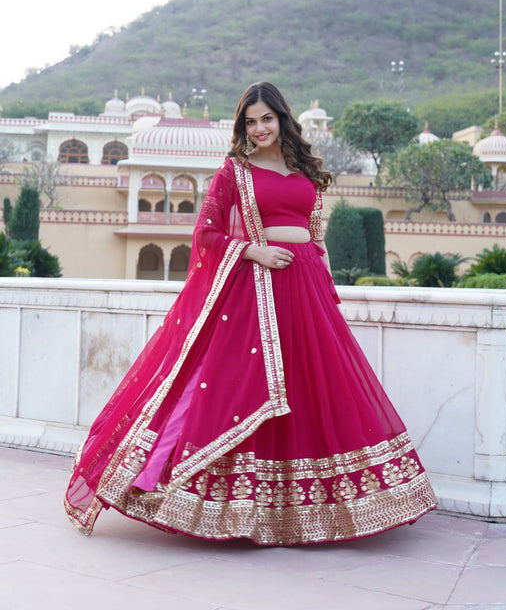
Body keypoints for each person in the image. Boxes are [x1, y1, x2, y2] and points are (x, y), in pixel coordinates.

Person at [64, 82, 437, 544]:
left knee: (310, 386)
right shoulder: (234, 172)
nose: (259, 128)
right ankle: (236, 506)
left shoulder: (305, 169)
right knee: (242, 386)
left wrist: (324, 283)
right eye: (250, 121)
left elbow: (315, 234)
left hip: (306, 286)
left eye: (267, 118)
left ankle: (308, 507)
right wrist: (253, 252)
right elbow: (205, 234)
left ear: (282, 118)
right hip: (257, 287)